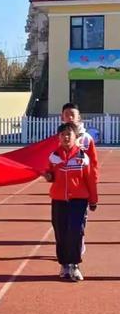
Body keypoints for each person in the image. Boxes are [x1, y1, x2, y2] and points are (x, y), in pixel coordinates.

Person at [45, 122, 98, 281]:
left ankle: (74, 265)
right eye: (63, 135)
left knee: (76, 231)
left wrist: (93, 200)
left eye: (69, 134)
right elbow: (51, 173)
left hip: (78, 200)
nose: (66, 137)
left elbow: (90, 180)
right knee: (60, 232)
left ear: (76, 137)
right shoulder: (54, 156)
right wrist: (49, 176)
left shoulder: (83, 157)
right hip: (59, 200)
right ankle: (64, 265)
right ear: (58, 138)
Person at [61, 103, 100, 255]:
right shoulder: (58, 137)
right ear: (62, 117)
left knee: (78, 223)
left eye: (73, 114)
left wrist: (93, 191)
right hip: (62, 190)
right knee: (62, 224)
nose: (70, 117)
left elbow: (94, 165)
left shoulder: (86, 139)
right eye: (66, 114)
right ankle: (65, 253)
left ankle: (76, 249)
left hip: (81, 189)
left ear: (79, 118)